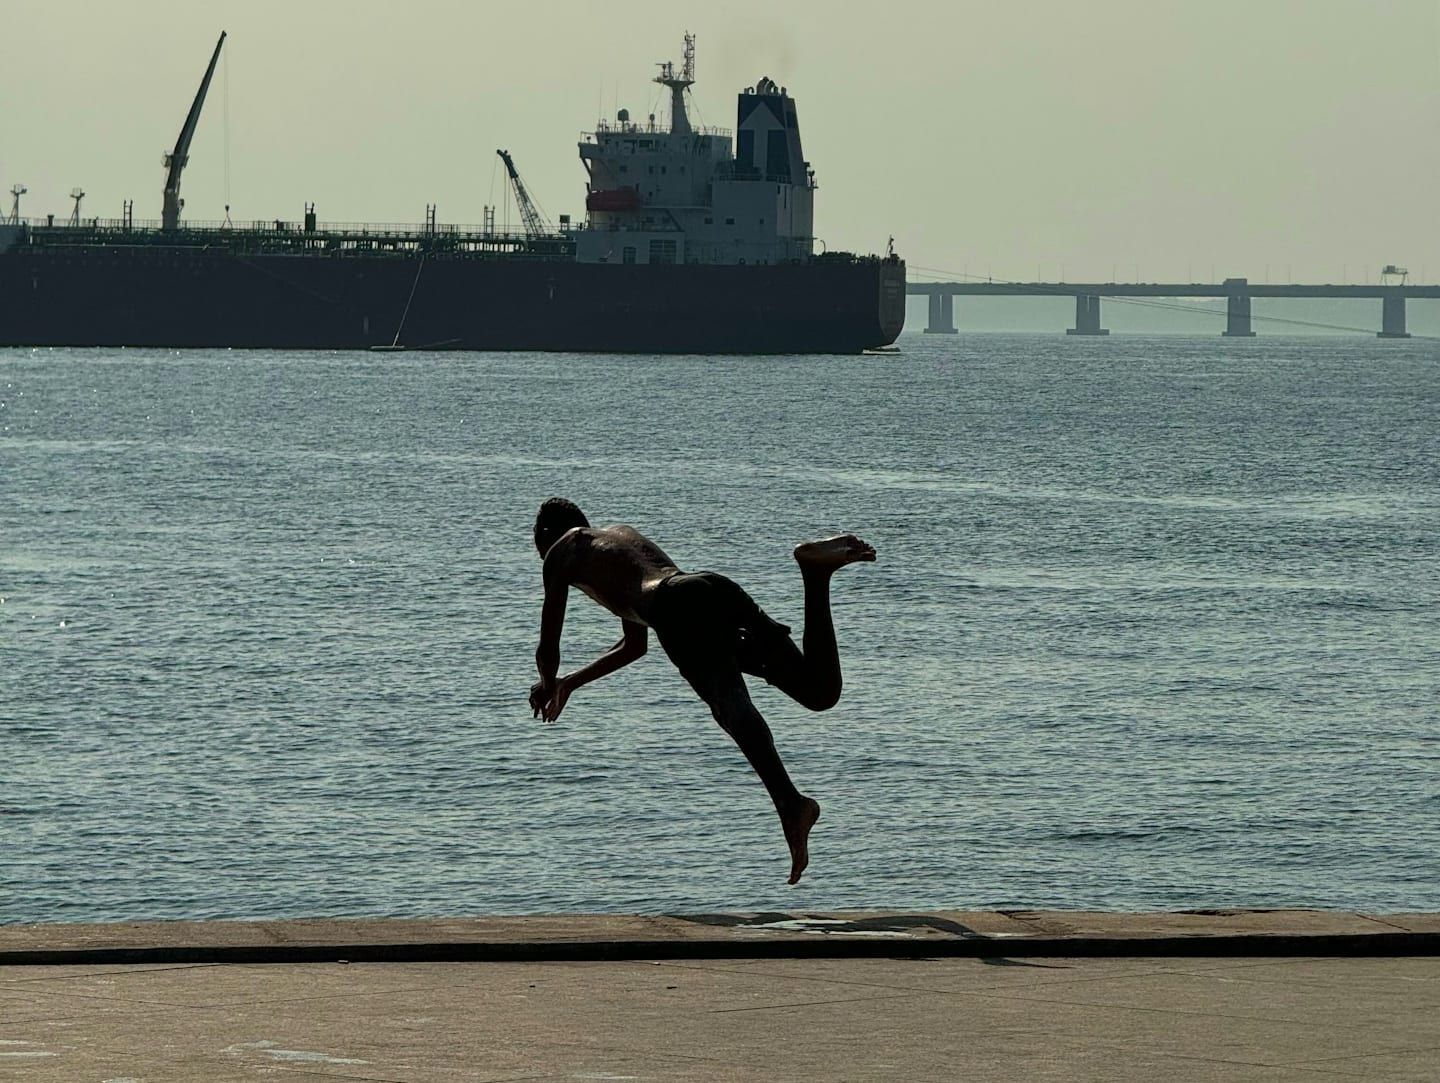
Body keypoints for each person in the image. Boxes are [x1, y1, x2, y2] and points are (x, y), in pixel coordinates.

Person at [529, 497, 875, 884]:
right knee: (819, 690)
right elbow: (634, 645)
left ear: (544, 536)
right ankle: (815, 574)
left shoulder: (563, 549)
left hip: (678, 609)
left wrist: (546, 684)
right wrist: (569, 684)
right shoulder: (618, 538)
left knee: (732, 709)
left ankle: (791, 805)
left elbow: (548, 648)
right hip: (710, 588)